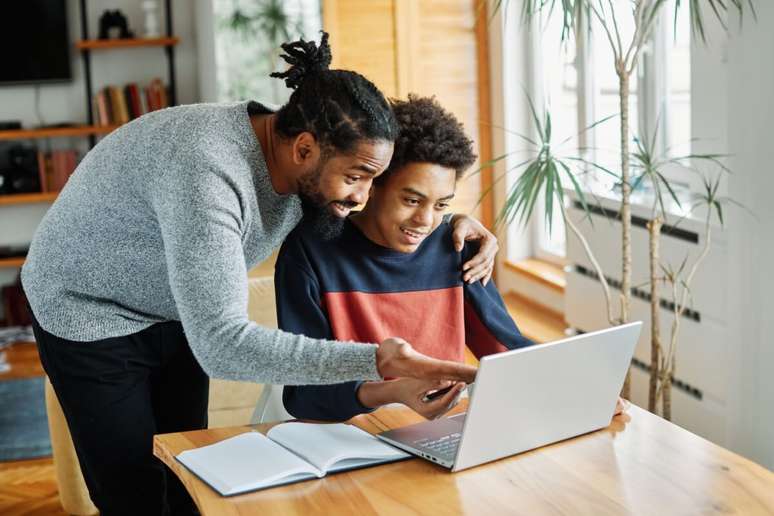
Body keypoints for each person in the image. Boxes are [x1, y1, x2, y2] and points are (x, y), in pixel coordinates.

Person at [21, 34, 494, 515]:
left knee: (185, 468)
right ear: (304, 148)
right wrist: (378, 360)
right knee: (133, 491)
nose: (363, 197)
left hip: (174, 306)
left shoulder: (307, 151)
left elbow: (383, 213)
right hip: (88, 308)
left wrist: (451, 226)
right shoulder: (208, 173)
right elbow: (222, 346)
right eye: (357, 177)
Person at [275, 95, 534, 422]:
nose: (426, 220)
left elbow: (507, 353)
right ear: (373, 185)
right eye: (412, 200)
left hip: (441, 433)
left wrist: (575, 391)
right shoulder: (311, 251)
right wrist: (395, 391)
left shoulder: (456, 245)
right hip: (349, 434)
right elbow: (304, 395)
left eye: (441, 205)